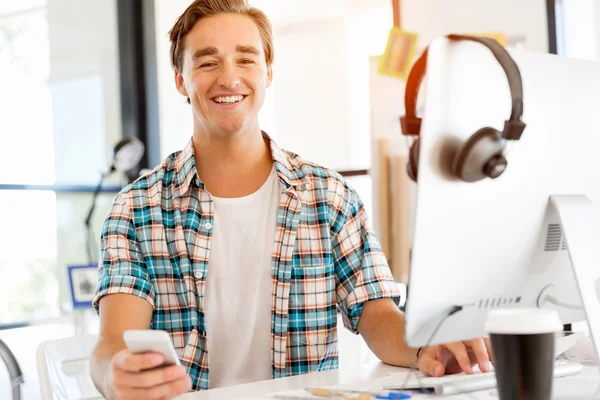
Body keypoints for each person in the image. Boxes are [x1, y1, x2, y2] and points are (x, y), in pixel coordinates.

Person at [90, 1, 493, 399]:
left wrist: (426, 346)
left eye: (245, 59)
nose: (229, 78)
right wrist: (113, 375)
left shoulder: (329, 196)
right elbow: (113, 341)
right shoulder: (135, 208)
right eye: (208, 62)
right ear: (181, 79)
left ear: (268, 71)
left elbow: (378, 315)